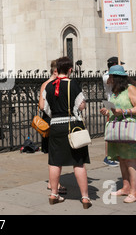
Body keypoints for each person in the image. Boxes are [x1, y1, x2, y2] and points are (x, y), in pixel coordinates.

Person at [42, 57, 91, 209]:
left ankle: (54, 194)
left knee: (55, 161)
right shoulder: (72, 84)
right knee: (78, 162)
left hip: (55, 125)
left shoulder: (48, 86)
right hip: (72, 125)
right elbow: (81, 105)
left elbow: (45, 108)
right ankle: (84, 197)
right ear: (69, 69)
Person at [99, 65, 136, 203]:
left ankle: (134, 192)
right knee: (122, 159)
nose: (109, 79)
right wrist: (108, 111)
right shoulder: (116, 92)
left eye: (111, 77)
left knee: (130, 159)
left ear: (116, 77)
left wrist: (124, 112)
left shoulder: (130, 89)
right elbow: (116, 109)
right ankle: (126, 187)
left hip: (128, 130)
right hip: (119, 130)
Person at [39, 59, 67, 195]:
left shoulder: (46, 84)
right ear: (56, 71)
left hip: (51, 119)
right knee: (55, 154)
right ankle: (53, 183)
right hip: (52, 120)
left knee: (54, 153)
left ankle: (54, 182)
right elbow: (42, 106)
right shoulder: (49, 84)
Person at [102, 57, 121, 167]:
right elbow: (110, 81)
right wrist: (114, 73)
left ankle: (117, 154)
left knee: (120, 130)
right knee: (110, 131)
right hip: (111, 105)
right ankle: (108, 156)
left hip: (120, 104)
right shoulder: (106, 75)